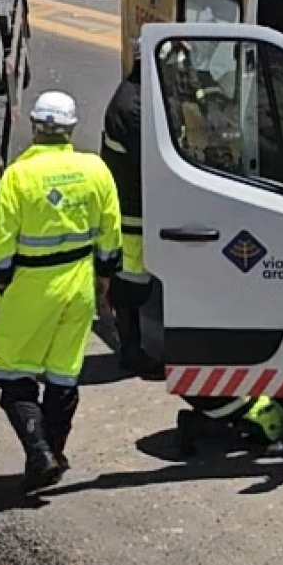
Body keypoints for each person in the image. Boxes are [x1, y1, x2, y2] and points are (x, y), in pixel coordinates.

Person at [0, 91, 122, 493]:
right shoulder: (94, 169)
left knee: (13, 372)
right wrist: (104, 277)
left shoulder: (18, 176)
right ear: (70, 128)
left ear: (35, 127)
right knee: (64, 374)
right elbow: (110, 233)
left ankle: (39, 451)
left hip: (31, 286)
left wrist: (4, 280)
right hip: (78, 284)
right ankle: (53, 454)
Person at [101, 41, 164, 380]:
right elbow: (155, 160)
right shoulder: (135, 107)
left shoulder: (132, 96)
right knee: (131, 287)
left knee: (131, 284)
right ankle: (131, 352)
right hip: (133, 214)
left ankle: (132, 347)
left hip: (131, 207)